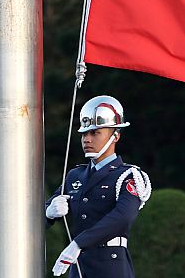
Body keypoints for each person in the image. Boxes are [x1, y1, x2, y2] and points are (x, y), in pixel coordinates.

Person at [46, 95, 151, 277]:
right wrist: (48, 212)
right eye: (84, 134)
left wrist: (78, 243)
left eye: (95, 133)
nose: (87, 139)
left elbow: (122, 217)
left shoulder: (128, 176)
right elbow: (38, 215)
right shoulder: (75, 176)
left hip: (110, 266)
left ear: (115, 136)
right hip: (79, 267)